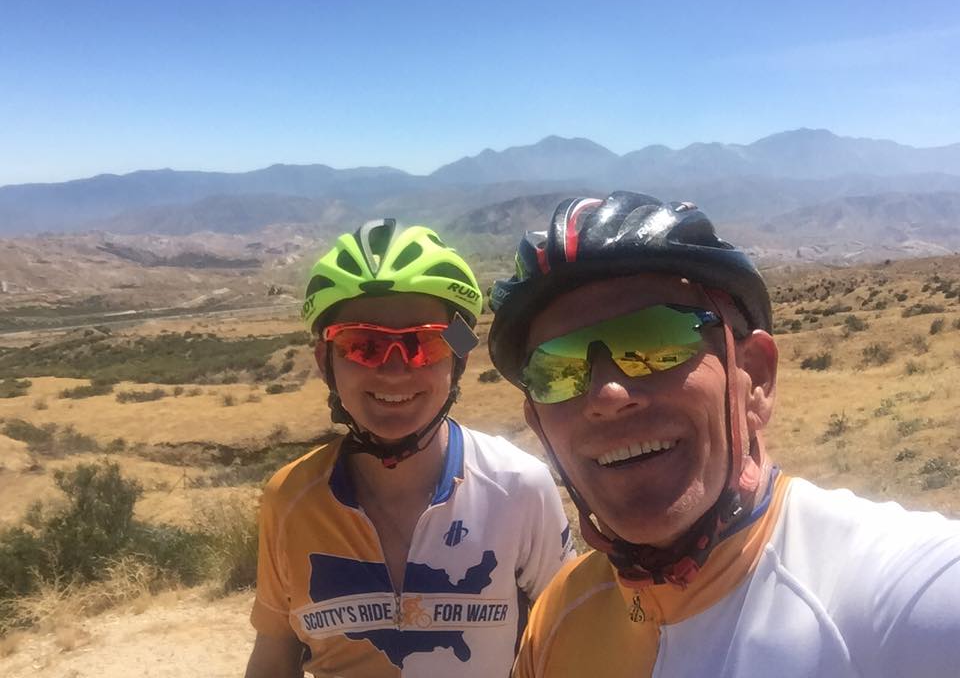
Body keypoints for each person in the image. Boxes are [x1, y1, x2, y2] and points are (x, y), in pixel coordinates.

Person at [487, 192, 960, 678]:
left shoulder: (902, 599)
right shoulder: (560, 617)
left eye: (655, 339)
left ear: (754, 378)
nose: (608, 394)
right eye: (558, 369)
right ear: (538, 423)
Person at [245, 219, 574, 678]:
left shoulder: (518, 488)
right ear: (326, 362)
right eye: (363, 345)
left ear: (457, 360)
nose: (396, 371)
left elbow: (571, 638)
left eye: (425, 344)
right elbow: (275, 653)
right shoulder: (290, 499)